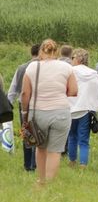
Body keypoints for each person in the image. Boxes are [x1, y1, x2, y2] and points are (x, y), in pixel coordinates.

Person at [21, 39, 78, 184]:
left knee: (41, 148)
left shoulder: (32, 67)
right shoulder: (66, 67)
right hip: (61, 112)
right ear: (56, 51)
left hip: (38, 113)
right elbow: (73, 91)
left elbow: (25, 94)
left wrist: (24, 114)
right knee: (55, 150)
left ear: (41, 51)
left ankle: (41, 181)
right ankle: (50, 182)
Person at [68, 49, 98, 168]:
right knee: (84, 138)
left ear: (78, 59)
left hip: (70, 108)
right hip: (85, 109)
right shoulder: (93, 73)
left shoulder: (69, 72)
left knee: (72, 136)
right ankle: (83, 163)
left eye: (73, 58)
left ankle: (72, 160)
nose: (72, 60)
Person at [7, 43, 40, 171]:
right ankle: (36, 163)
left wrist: (9, 104)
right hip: (40, 103)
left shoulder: (21, 67)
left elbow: (13, 88)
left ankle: (28, 164)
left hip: (24, 104)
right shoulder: (43, 68)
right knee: (39, 133)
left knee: (27, 133)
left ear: (31, 53)